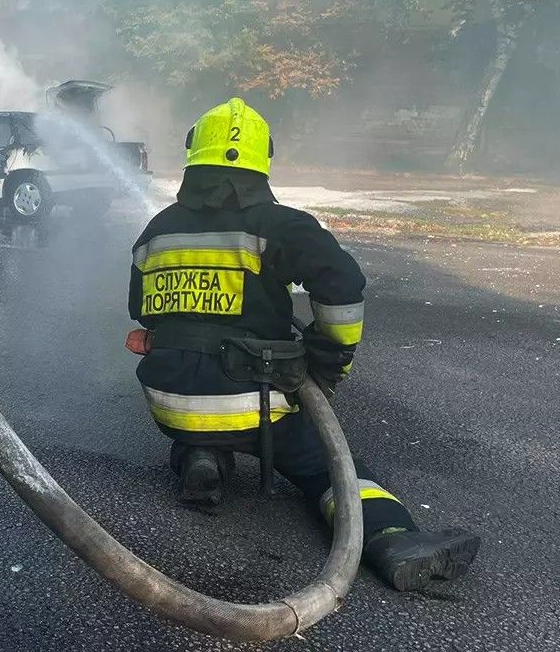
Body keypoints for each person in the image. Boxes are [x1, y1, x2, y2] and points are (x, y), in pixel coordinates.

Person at [127, 99, 481, 592]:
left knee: (203, 398)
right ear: (262, 159)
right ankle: (394, 540)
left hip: (169, 404)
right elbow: (342, 287)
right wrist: (327, 362)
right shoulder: (281, 226)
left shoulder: (156, 230)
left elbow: (142, 314)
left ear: (194, 154)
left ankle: (199, 456)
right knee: (330, 468)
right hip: (253, 403)